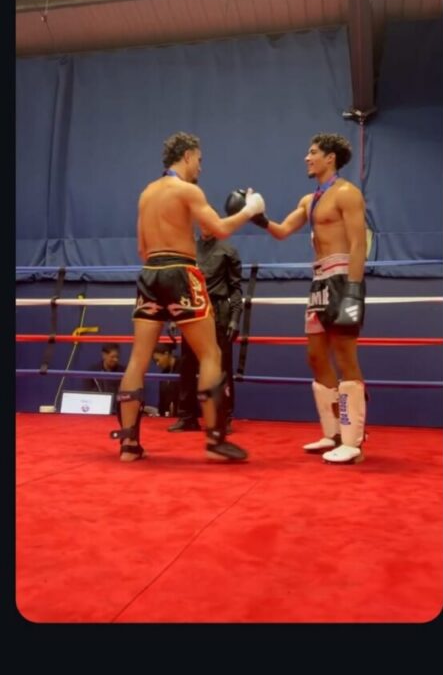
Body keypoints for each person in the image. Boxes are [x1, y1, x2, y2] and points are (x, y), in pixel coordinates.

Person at [111, 130, 265, 463]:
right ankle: (214, 442)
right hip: (180, 271)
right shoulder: (187, 189)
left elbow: (141, 249)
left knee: (138, 358)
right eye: (200, 160)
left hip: (150, 273)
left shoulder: (146, 193)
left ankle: (128, 445)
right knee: (210, 353)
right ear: (189, 155)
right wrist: (251, 209)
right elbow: (220, 229)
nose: (201, 167)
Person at [249, 133, 367, 464]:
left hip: (344, 276)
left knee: (345, 356)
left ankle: (353, 441)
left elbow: (359, 244)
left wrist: (354, 290)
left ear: (330, 158)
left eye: (313, 152)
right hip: (318, 280)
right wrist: (256, 216)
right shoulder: (309, 200)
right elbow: (283, 230)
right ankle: (332, 434)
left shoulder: (347, 194)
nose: (306, 157)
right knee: (315, 357)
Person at [168, 223, 243, 434]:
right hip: (192, 310)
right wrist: (175, 317)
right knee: (187, 366)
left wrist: (235, 318)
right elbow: (180, 285)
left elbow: (236, 288)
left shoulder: (228, 251)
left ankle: (223, 417)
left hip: (219, 312)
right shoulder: (188, 249)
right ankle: (187, 417)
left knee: (222, 367)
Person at [84, 342, 125, 413]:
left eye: (117, 357)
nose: (116, 360)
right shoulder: (93, 371)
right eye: (113, 357)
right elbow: (88, 393)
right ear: (104, 355)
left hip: (118, 410)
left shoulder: (123, 371)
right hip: (97, 409)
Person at [149, 340, 182, 417]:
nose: (157, 364)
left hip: (182, 415)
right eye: (155, 361)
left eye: (157, 360)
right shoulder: (164, 373)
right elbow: (162, 399)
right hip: (169, 417)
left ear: (166, 354)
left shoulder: (183, 366)